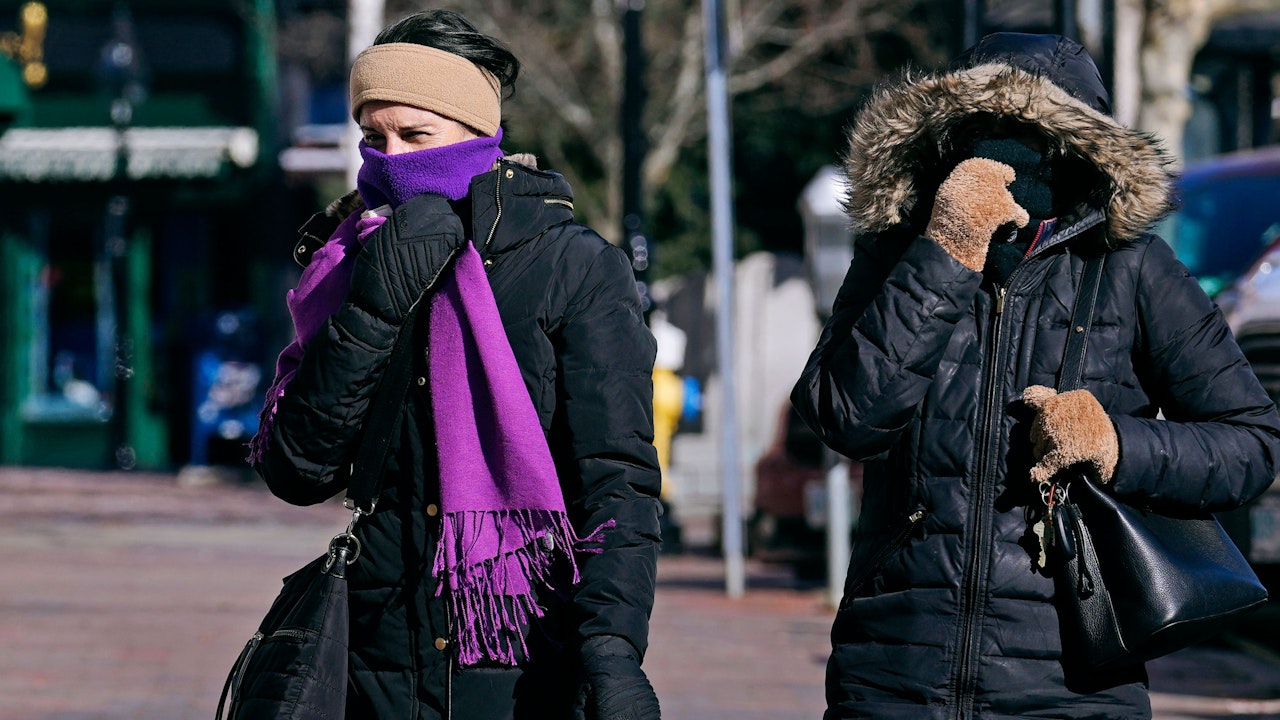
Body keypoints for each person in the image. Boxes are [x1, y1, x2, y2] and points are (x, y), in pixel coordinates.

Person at [790, 32, 1280, 719]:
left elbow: (1254, 443)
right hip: (893, 670)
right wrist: (948, 250)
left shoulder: (1131, 269)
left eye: (1034, 134)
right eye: (981, 131)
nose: (1006, 154)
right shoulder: (901, 251)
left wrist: (1117, 444)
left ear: (1080, 151)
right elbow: (844, 417)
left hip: (1074, 681)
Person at [248, 10, 663, 719]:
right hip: (375, 663)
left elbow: (618, 483)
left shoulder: (574, 267)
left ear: (479, 134)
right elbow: (298, 469)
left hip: (520, 655)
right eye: (373, 138)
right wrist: (376, 303)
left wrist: (613, 649)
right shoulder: (349, 259)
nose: (391, 160)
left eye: (416, 136)